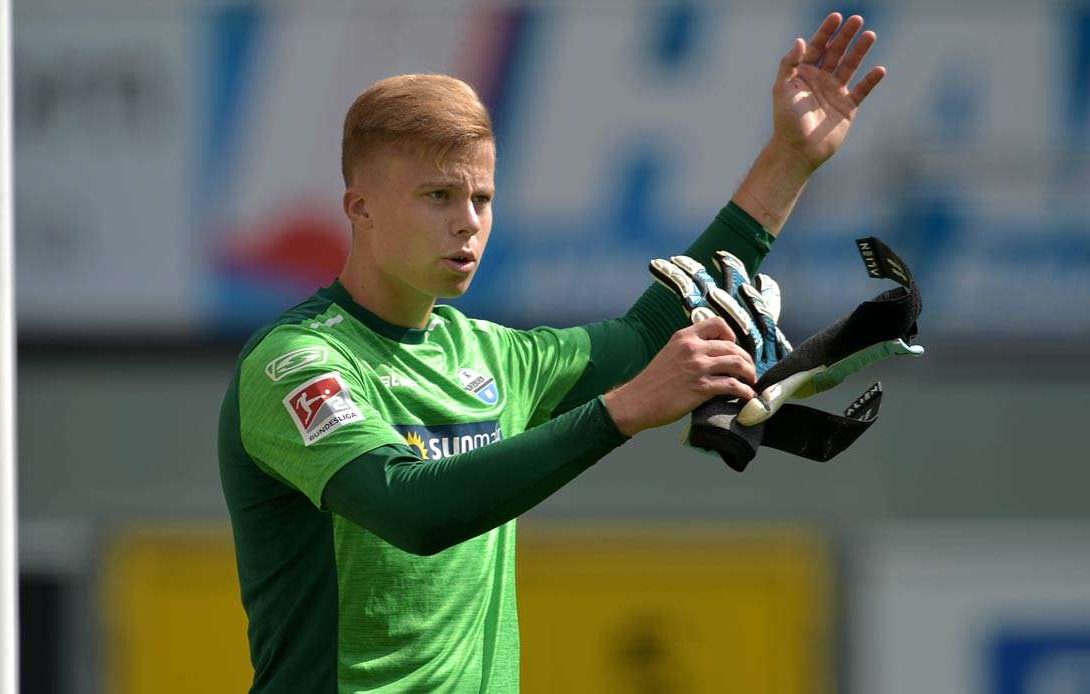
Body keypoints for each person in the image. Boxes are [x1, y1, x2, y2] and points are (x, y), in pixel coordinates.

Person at [218, 12, 884, 693]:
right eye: (438, 196)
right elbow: (408, 510)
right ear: (359, 208)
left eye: (482, 197)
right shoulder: (298, 363)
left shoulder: (493, 355)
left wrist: (790, 158)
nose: (468, 221)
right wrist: (622, 411)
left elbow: (649, 330)